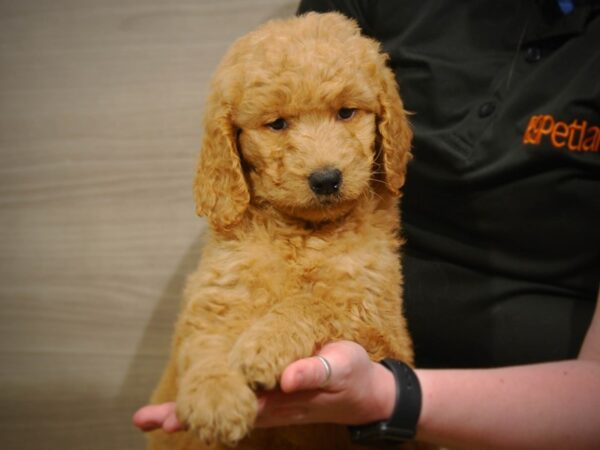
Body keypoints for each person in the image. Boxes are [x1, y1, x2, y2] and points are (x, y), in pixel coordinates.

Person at [134, 1, 600, 448]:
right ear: (229, 141)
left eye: (345, 113)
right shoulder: (239, 229)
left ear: (387, 121)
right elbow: (210, 318)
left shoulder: (371, 229)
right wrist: (209, 372)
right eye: (277, 124)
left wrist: (305, 329)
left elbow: (367, 319)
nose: (324, 164)